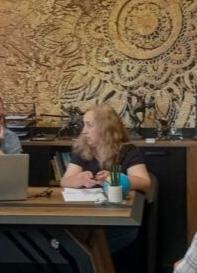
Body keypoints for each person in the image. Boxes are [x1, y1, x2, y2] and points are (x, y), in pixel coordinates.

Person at [60, 104, 151, 253]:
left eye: (89, 125)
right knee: (75, 239)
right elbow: (65, 181)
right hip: (87, 216)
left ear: (105, 128)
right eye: (84, 125)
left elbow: (144, 182)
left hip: (118, 220)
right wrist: (80, 179)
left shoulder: (128, 151)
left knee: (84, 245)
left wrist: (114, 178)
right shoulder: (83, 149)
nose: (84, 131)